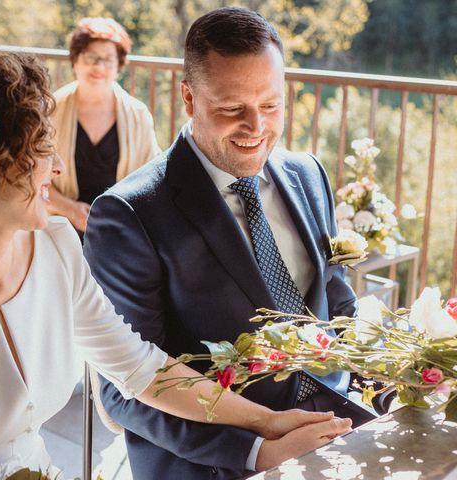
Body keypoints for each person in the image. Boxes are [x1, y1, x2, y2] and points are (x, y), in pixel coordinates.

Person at [0, 49, 349, 479]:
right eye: (42, 151)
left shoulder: (54, 248)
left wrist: (268, 423)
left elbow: (143, 370)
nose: (56, 166)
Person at [83, 7, 377, 480]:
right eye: (231, 108)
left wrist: (391, 382)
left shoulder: (307, 175)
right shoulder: (129, 214)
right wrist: (258, 453)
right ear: (189, 98)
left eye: (271, 105)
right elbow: (122, 390)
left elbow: (338, 305)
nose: (256, 127)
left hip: (336, 420)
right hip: (218, 459)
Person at [48, 17, 160, 234]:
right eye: (91, 57)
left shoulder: (138, 115)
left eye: (108, 59)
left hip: (122, 226)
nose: (99, 66)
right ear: (75, 60)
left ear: (118, 66)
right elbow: (30, 174)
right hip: (60, 224)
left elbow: (151, 178)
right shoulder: (51, 110)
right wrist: (70, 210)